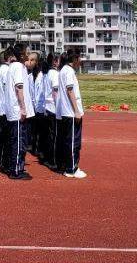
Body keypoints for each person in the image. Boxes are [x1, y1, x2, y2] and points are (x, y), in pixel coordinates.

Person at [4, 48, 35, 180]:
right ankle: (16, 170)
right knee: (18, 142)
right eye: (27, 52)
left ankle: (18, 167)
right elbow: (19, 87)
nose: (28, 55)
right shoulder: (17, 67)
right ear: (21, 54)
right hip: (17, 111)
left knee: (21, 141)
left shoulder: (18, 66)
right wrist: (23, 108)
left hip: (18, 111)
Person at [55, 51, 86, 179]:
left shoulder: (64, 70)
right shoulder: (68, 71)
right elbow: (70, 90)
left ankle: (68, 166)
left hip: (67, 112)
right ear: (75, 58)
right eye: (80, 58)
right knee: (73, 141)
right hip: (71, 112)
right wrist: (76, 111)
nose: (81, 61)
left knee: (69, 140)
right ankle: (71, 169)